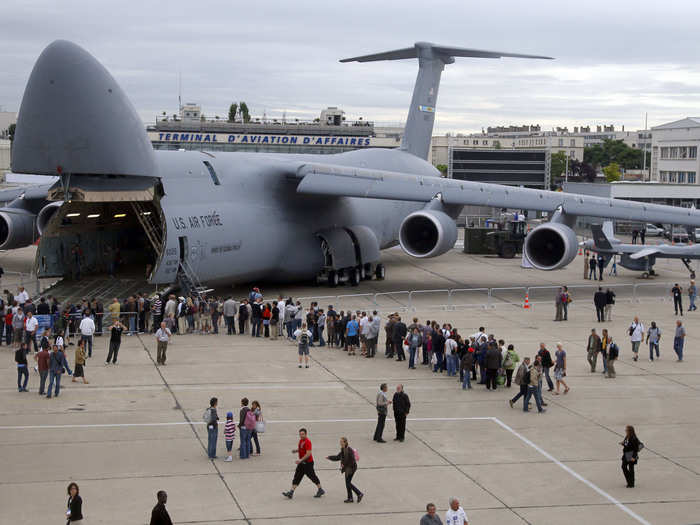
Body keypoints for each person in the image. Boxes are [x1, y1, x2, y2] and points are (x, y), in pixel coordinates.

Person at [282, 428, 325, 499]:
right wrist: (296, 451)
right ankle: (291, 492)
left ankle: (320, 489)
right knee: (297, 477)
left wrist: (300, 460)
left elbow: (308, 454)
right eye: (300, 434)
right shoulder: (301, 441)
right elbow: (301, 449)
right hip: (302, 463)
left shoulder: (308, 442)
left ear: (306, 434)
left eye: (302, 434)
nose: (301, 436)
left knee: (312, 477)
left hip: (308, 464)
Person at [326, 437, 363, 503]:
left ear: (345, 442)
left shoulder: (349, 450)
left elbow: (352, 461)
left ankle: (359, 494)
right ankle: (350, 498)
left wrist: (344, 465)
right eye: (340, 442)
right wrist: (330, 457)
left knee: (348, 483)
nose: (340, 443)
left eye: (341, 442)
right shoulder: (343, 449)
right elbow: (338, 457)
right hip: (348, 468)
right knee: (347, 483)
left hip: (351, 468)